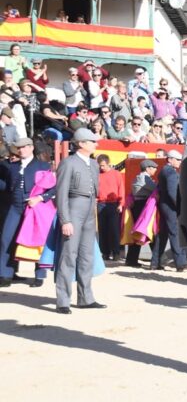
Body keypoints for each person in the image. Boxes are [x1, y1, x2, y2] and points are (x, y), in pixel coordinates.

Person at [54, 128, 104, 314]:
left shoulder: (93, 164)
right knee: (69, 255)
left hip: (90, 208)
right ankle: (63, 300)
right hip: (74, 208)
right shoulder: (68, 163)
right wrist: (65, 219)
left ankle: (85, 297)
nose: (95, 144)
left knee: (87, 255)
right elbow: (61, 193)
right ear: (81, 143)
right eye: (92, 141)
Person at [0, 138, 54, 287]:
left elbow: (52, 188)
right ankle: (5, 274)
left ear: (31, 147)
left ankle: (39, 274)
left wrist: (40, 198)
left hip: (34, 207)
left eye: (23, 147)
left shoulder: (42, 165)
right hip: (15, 206)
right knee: (7, 238)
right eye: (19, 148)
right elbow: (5, 186)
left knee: (37, 239)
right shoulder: (12, 166)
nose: (20, 150)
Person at [149, 150, 187, 271]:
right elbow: (172, 192)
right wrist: (180, 206)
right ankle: (181, 262)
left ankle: (155, 261)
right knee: (176, 234)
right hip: (171, 206)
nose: (180, 162)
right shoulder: (170, 172)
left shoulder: (164, 171)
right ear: (170, 159)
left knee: (163, 234)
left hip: (165, 205)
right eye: (177, 160)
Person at [125, 159, 158, 268]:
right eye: (154, 168)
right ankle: (157, 259)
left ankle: (131, 259)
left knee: (138, 233)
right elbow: (156, 189)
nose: (155, 170)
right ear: (148, 168)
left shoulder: (138, 177)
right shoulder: (145, 178)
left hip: (137, 206)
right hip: (144, 207)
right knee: (149, 231)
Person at [96, 155, 124, 261]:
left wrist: (121, 203)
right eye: (100, 166)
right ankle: (105, 253)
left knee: (114, 229)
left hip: (113, 204)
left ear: (108, 164)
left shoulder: (116, 174)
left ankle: (116, 252)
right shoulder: (97, 174)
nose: (101, 167)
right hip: (101, 203)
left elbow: (121, 189)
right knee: (102, 230)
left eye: (103, 165)